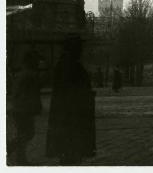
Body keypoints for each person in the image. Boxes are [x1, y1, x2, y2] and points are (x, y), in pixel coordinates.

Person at [46, 34, 96, 165]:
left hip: (65, 115)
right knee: (72, 150)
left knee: (68, 151)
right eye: (79, 48)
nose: (81, 51)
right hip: (73, 116)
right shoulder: (72, 66)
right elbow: (73, 91)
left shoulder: (63, 64)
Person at [8, 51, 42, 165]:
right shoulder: (31, 75)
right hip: (25, 109)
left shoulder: (21, 74)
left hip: (18, 108)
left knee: (22, 133)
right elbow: (33, 94)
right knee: (27, 133)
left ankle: (20, 159)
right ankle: (8, 149)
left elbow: (16, 93)